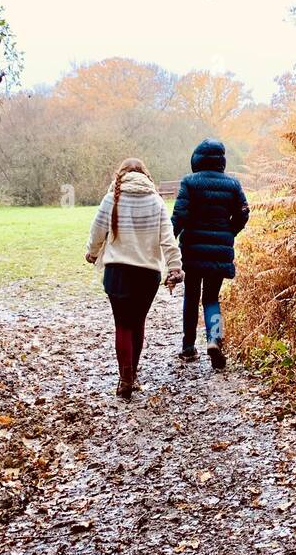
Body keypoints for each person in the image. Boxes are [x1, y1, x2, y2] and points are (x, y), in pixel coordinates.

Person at [85, 158, 183, 400]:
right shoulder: (156, 201)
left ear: (121, 175)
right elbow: (168, 239)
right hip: (147, 274)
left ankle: (125, 377)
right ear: (145, 175)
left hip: (117, 272)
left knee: (122, 325)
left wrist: (92, 252)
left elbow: (97, 231)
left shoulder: (112, 199)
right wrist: (175, 267)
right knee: (138, 323)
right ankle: (133, 374)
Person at [171, 138, 249, 369]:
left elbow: (179, 216)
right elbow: (244, 212)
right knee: (212, 298)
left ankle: (188, 347)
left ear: (197, 159)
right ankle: (214, 340)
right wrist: (230, 231)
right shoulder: (233, 184)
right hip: (219, 251)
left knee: (192, 296)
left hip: (192, 249)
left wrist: (168, 241)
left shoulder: (189, 182)